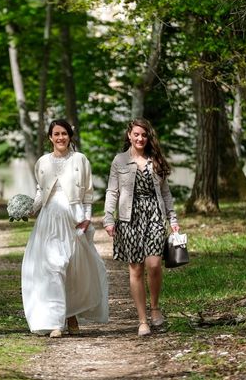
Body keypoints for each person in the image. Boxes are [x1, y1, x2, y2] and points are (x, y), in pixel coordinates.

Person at [21, 119, 109, 338]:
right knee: (53, 267)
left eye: (64, 134)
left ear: (70, 136)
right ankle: (55, 322)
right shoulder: (42, 162)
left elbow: (88, 193)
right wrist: (29, 209)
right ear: (50, 137)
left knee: (72, 269)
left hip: (74, 219)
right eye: (56, 134)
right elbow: (42, 192)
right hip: (49, 220)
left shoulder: (80, 160)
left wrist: (87, 218)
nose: (60, 138)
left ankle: (72, 316)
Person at [103, 118, 180, 336]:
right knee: (136, 268)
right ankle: (142, 320)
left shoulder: (155, 160)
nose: (140, 138)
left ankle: (155, 308)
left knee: (154, 264)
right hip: (129, 218)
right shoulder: (119, 161)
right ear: (129, 135)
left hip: (155, 215)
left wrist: (172, 219)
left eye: (144, 135)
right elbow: (112, 191)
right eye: (136, 134)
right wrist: (109, 218)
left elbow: (165, 193)